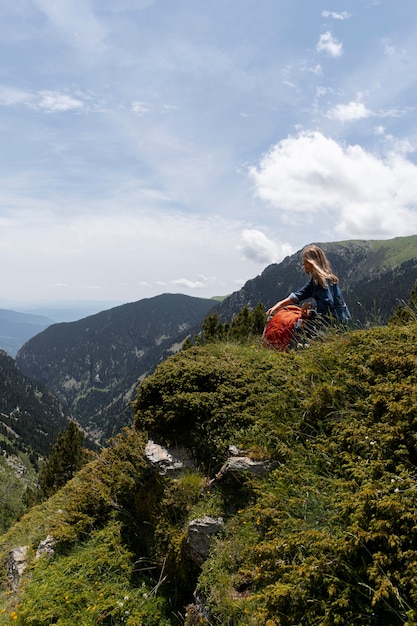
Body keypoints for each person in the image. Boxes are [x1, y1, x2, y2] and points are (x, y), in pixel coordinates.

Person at [267, 244, 351, 323]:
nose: (304, 265)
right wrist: (279, 304)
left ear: (314, 262)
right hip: (341, 320)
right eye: (304, 262)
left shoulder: (321, 279)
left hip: (335, 322)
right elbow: (300, 294)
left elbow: (327, 302)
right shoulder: (317, 279)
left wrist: (310, 305)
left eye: (306, 262)